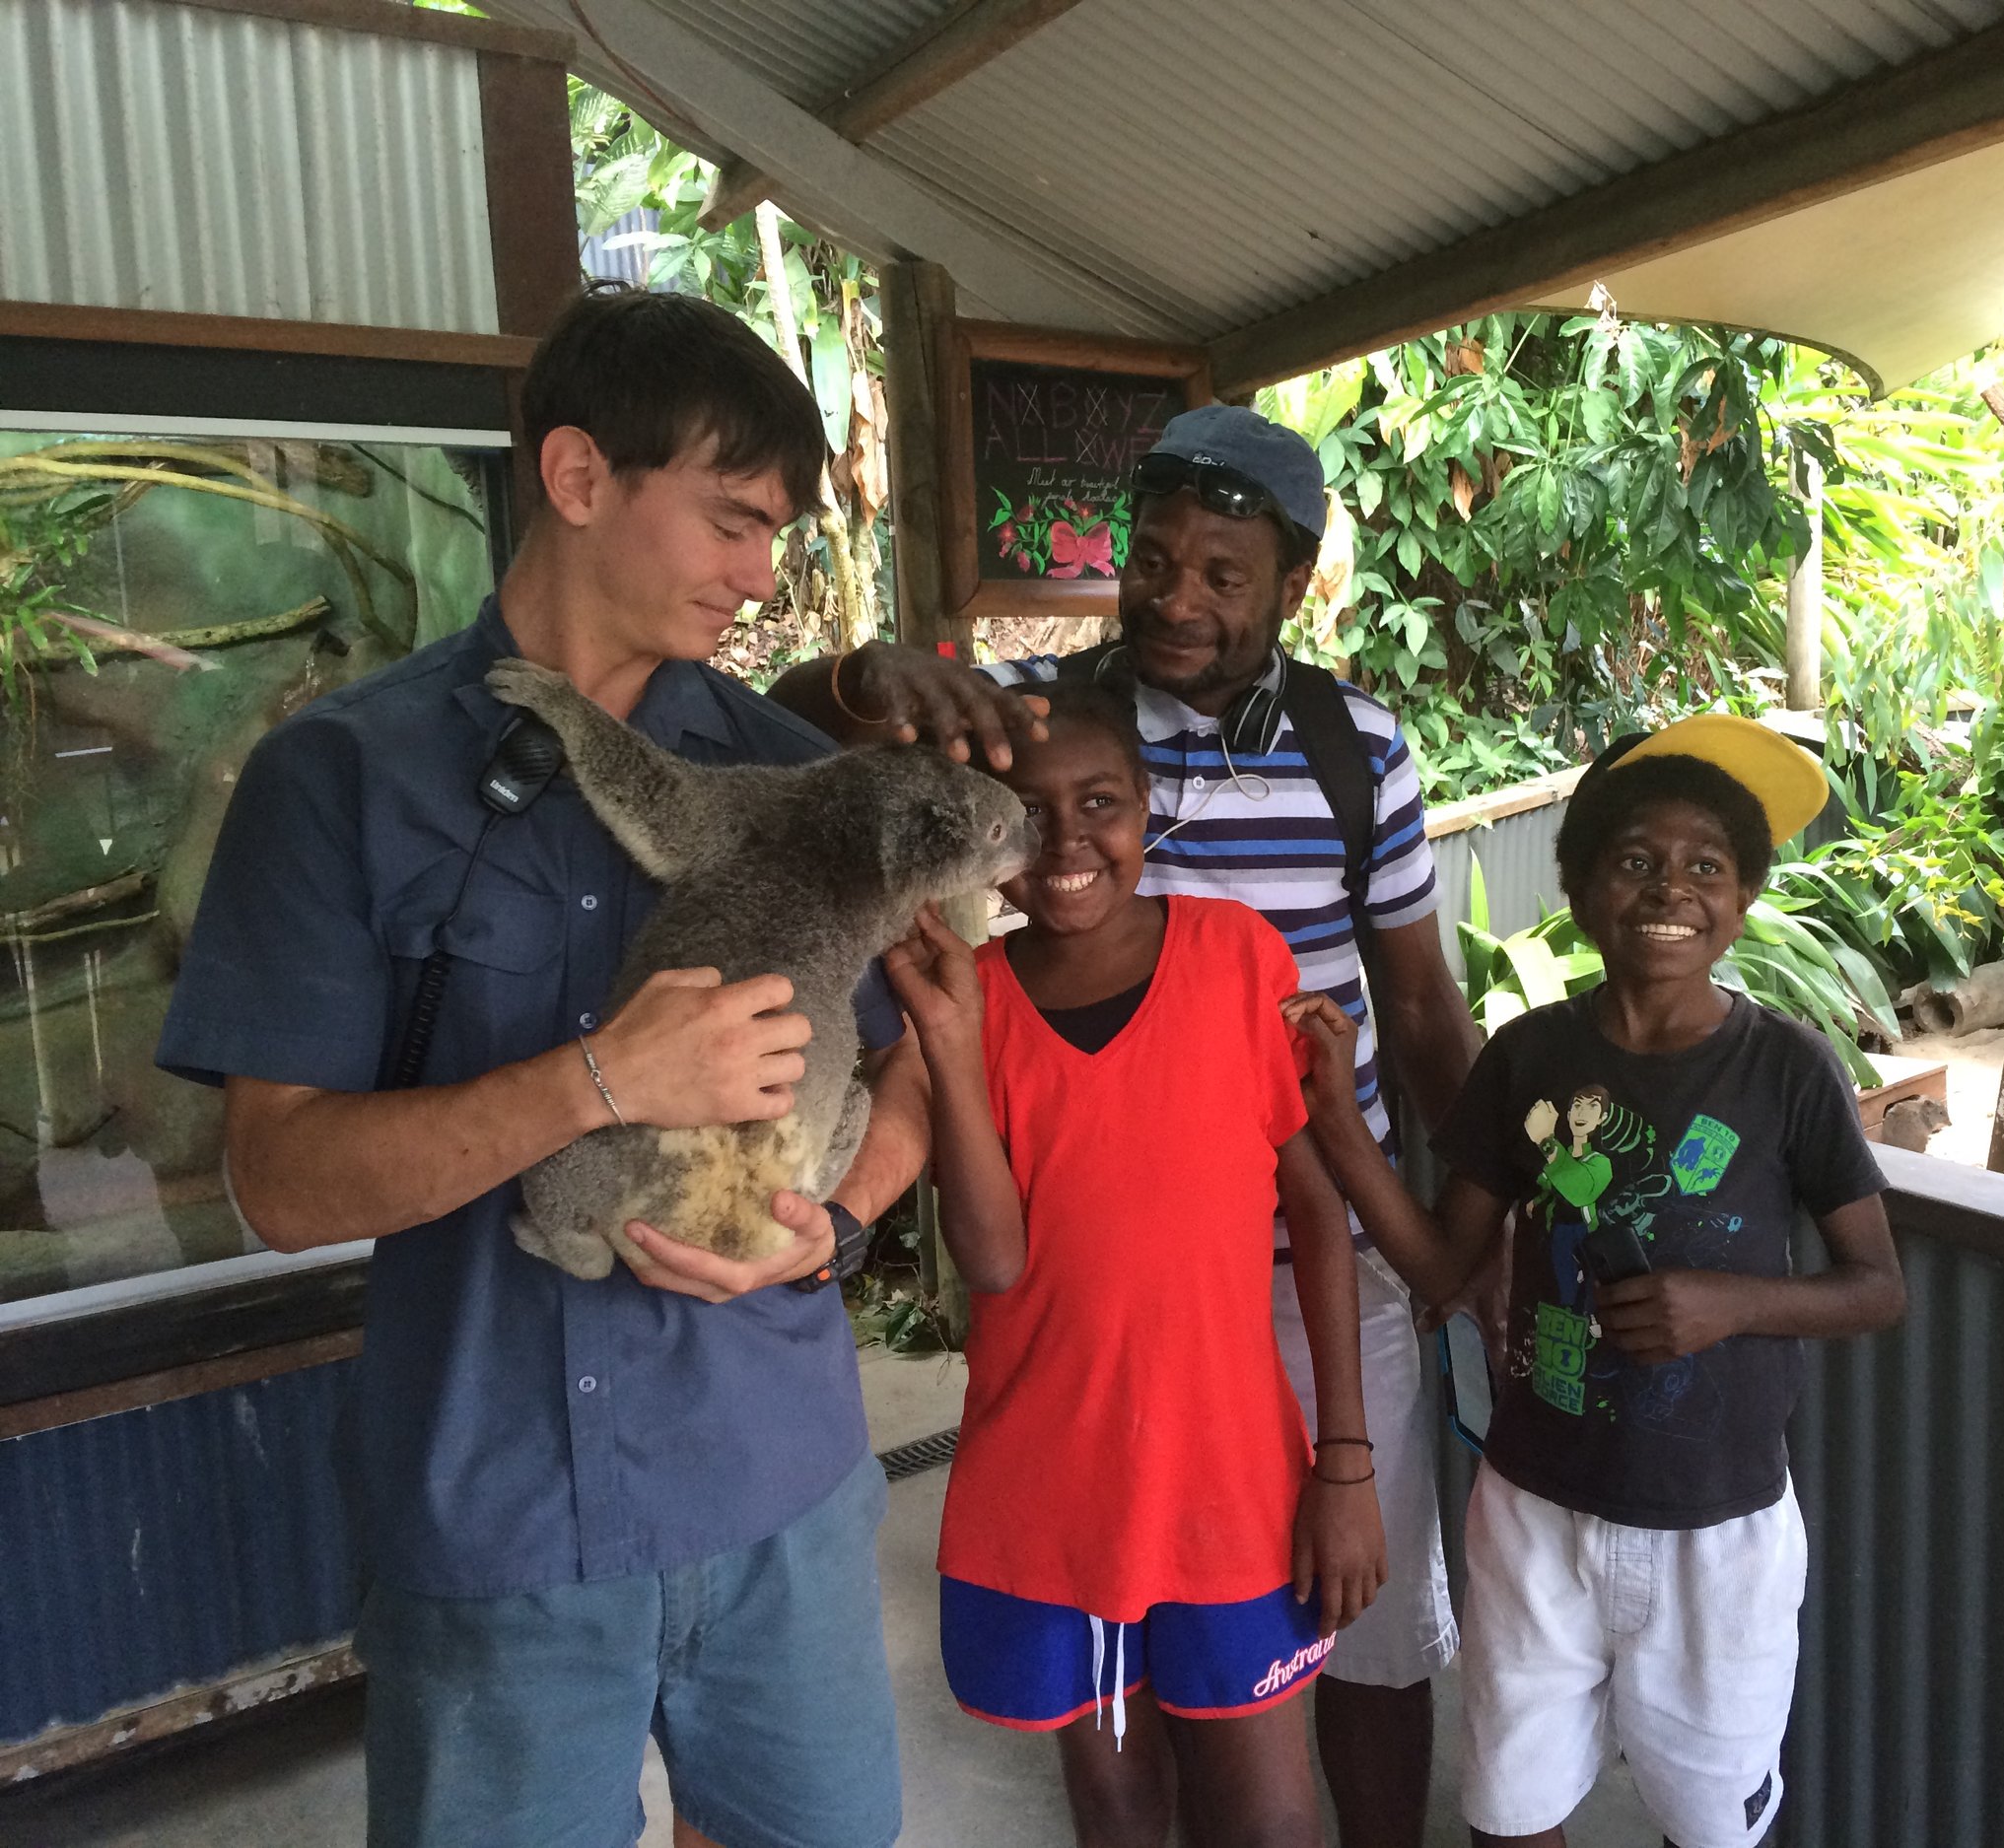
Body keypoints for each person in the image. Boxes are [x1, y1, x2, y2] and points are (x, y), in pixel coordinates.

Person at [156, 285, 924, 1848]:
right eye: (728, 520)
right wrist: (601, 1081)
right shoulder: (342, 781)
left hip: (778, 1483)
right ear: (578, 478)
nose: (759, 573)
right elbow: (280, 1181)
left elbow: (914, 1080)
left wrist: (834, 1227)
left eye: (774, 532)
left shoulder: (790, 779)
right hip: (498, 1516)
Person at [774, 406, 1482, 1848]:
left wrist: (1474, 1230)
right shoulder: (1032, 712)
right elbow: (790, 724)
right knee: (1136, 1685)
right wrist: (867, 674)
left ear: (1294, 578)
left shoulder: (1360, 750)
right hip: (1101, 1274)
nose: (1179, 597)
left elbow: (1418, 1013)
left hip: (1312, 1258)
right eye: (1156, 560)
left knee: (1363, 1632)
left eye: (1226, 572)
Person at [1282, 716, 1908, 1848]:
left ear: (1744, 898)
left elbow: (1875, 1290)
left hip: (1717, 1530)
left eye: (1704, 866)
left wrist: (1734, 1305)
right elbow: (1437, 1262)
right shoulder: (1530, 1061)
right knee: (1511, 1813)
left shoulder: (1785, 1072)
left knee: (1710, 1826)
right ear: (1578, 889)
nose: (1668, 887)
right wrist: (1334, 1120)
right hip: (1533, 1511)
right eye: (1634, 862)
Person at [883, 678, 1385, 1847]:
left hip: (1232, 1489)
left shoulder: (1233, 958)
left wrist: (1346, 1462)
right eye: (1024, 812)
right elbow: (993, 1263)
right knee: (1115, 1809)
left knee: (1263, 1815)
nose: (1065, 842)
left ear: (1146, 806)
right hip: (1055, 1497)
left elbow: (1314, 1214)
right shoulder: (977, 1001)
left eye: (1099, 802)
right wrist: (951, 1046)